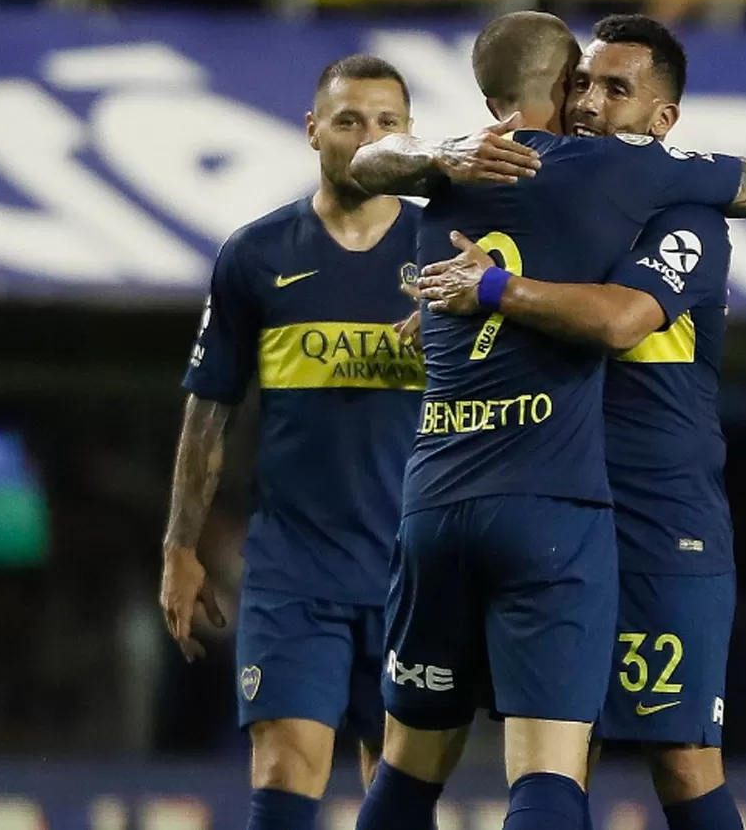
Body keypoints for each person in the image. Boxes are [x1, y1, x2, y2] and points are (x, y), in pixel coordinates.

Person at [346, 11, 746, 830]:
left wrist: (491, 296)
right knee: (541, 752)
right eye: (581, 82)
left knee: (683, 764)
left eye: (616, 89)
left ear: (663, 120)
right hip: (554, 497)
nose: (589, 102)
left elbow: (620, 315)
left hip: (656, 517)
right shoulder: (539, 179)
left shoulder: (683, 215)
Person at [156, 53, 533, 830]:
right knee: (287, 766)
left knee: (393, 793)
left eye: (387, 123)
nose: (368, 137)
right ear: (312, 132)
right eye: (349, 120)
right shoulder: (257, 255)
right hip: (295, 571)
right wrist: (181, 547)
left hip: (415, 573)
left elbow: (516, 400)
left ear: (408, 136)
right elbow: (209, 409)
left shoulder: (448, 252)